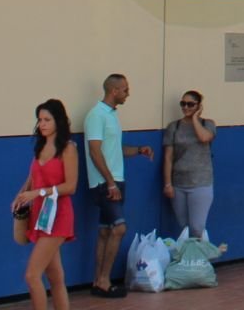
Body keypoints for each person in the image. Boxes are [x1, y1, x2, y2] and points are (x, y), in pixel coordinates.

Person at [83, 73, 153, 298]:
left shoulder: (112, 116)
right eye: (125, 90)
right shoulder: (96, 115)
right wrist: (110, 182)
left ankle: (97, 280)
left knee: (105, 231)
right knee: (119, 228)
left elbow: (115, 150)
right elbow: (95, 151)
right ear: (114, 91)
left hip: (115, 181)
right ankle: (104, 280)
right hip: (105, 183)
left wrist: (139, 150)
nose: (128, 93)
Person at [13, 99, 78, 310]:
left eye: (47, 119)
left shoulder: (68, 149)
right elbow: (33, 176)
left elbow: (70, 186)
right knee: (55, 277)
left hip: (58, 215)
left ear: (59, 121)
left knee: (32, 275)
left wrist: (38, 192)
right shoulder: (40, 146)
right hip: (40, 215)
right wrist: (21, 195)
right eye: (40, 120)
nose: (42, 124)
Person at [162, 89, 217, 240]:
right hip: (179, 182)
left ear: (198, 106)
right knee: (184, 227)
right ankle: (189, 260)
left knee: (197, 227)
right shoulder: (174, 127)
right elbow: (168, 157)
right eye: (183, 104)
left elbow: (204, 137)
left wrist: (194, 119)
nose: (185, 107)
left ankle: (201, 259)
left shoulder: (208, 124)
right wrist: (168, 184)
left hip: (201, 182)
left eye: (190, 104)